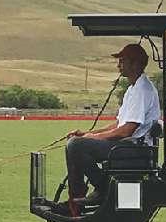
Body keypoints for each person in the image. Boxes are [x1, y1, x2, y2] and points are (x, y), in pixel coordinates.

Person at [64, 42, 160, 207]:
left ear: (135, 64)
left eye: (122, 61)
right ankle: (76, 198)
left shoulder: (143, 90)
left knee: (75, 146)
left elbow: (126, 131)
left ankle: (102, 189)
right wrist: (87, 134)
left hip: (135, 149)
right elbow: (118, 124)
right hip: (128, 146)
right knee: (74, 143)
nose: (118, 65)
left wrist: (93, 137)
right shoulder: (133, 89)